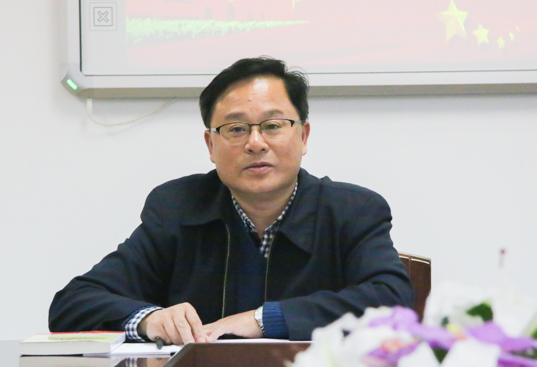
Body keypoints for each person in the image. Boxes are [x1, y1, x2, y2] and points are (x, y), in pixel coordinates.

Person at [49, 57, 413, 345]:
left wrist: (263, 319)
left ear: (303, 137)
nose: (255, 143)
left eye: (272, 125)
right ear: (211, 145)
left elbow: (393, 301)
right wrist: (149, 319)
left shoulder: (352, 211)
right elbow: (74, 303)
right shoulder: (177, 208)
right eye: (236, 129)